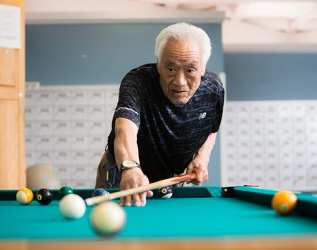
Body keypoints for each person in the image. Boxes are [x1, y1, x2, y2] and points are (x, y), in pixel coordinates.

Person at [95, 22, 224, 207]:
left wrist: (202, 158)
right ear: (158, 65)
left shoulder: (214, 89)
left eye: (190, 70)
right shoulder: (138, 82)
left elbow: (212, 128)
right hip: (123, 172)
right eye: (170, 69)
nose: (180, 82)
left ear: (203, 68)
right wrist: (130, 168)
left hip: (174, 178)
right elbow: (125, 129)